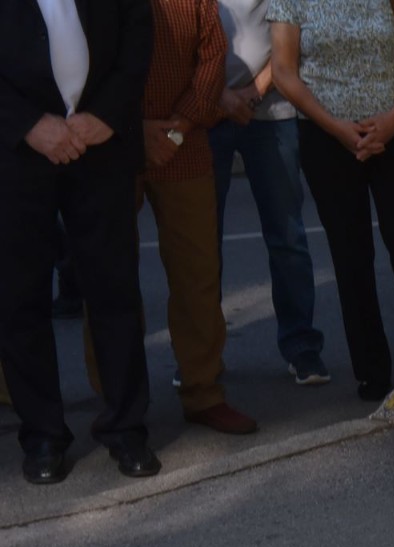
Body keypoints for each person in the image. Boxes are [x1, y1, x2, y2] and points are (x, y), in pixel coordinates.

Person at [0, 0, 159, 484]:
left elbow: (137, 38)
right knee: (20, 299)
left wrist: (106, 116)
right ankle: (43, 436)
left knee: (115, 290)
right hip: (18, 152)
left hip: (100, 146)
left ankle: (127, 429)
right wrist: (29, 124)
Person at [85, 0, 259, 438]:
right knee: (110, 277)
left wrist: (176, 129)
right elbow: (85, 59)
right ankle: (117, 398)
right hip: (110, 144)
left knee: (197, 274)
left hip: (185, 147)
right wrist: (133, 129)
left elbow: (212, 59)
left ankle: (204, 394)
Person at [268, 0, 394, 401]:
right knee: (351, 259)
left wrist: (392, 122)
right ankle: (372, 372)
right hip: (327, 140)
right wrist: (338, 129)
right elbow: (283, 71)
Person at [212, 0, 330, 387]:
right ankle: (201, 355)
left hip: (272, 110)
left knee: (287, 237)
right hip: (205, 112)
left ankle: (301, 347)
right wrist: (217, 97)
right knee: (199, 244)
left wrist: (252, 91)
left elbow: (292, 39)